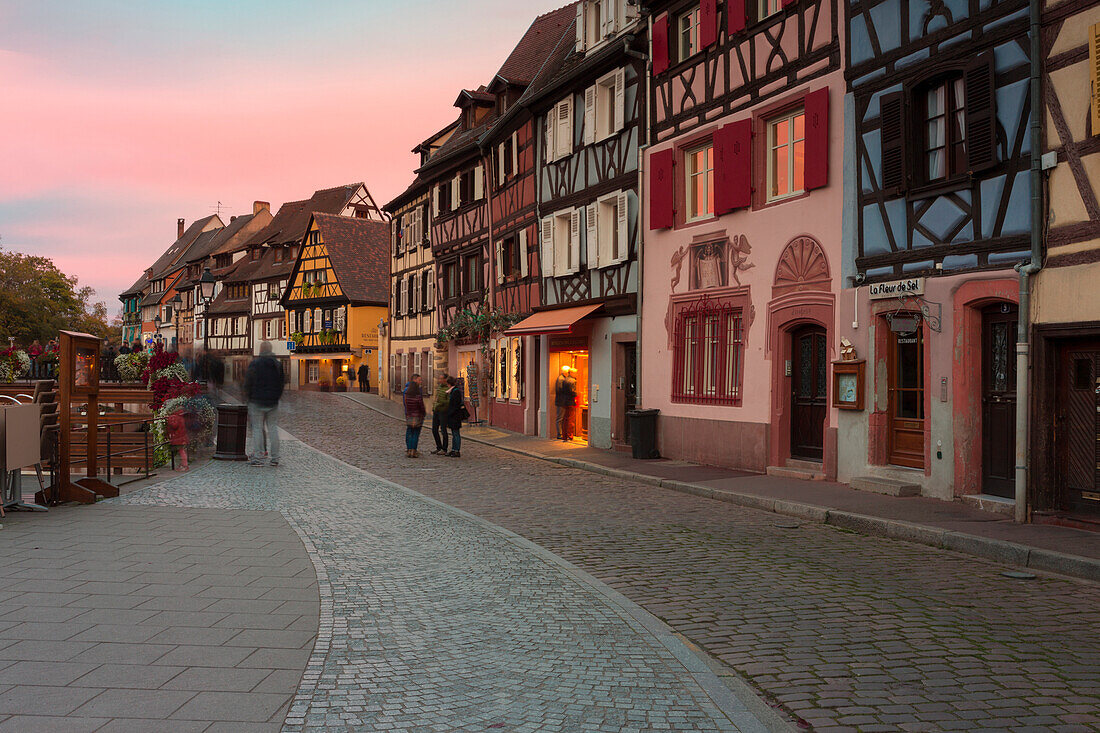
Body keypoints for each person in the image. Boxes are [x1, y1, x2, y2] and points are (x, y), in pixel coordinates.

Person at [243, 341, 284, 467]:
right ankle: (275, 458)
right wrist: (277, 396)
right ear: (271, 350)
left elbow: (248, 382)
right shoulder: (277, 364)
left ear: (260, 350)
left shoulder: (255, 363)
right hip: (273, 402)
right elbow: (282, 383)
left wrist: (248, 397)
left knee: (257, 429)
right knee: (273, 429)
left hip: (256, 401)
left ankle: (259, 457)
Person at [403, 373, 426, 458]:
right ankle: (413, 450)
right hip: (417, 416)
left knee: (410, 432)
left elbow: (405, 404)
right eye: (419, 380)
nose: (421, 382)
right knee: (415, 434)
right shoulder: (417, 396)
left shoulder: (407, 395)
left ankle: (409, 449)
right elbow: (421, 406)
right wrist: (423, 414)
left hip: (409, 416)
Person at [445, 375, 468, 458]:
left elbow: (454, 405)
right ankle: (454, 449)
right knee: (454, 433)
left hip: (455, 416)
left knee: (456, 433)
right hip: (453, 415)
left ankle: (457, 450)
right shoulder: (453, 391)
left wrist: (449, 413)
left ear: (449, 384)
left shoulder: (455, 392)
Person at [554, 365, 578, 441]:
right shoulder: (561, 379)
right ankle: (560, 434)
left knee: (564, 418)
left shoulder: (564, 379)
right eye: (568, 372)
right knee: (562, 418)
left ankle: (563, 435)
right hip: (562, 401)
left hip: (564, 401)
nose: (568, 373)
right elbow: (560, 390)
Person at [430, 372, 450, 455]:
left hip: (443, 411)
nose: (439, 380)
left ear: (445, 380)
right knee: (434, 430)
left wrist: (441, 402)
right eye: (439, 378)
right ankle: (439, 447)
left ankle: (444, 449)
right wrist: (434, 406)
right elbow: (436, 398)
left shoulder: (448, 389)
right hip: (436, 411)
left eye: (441, 378)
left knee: (443, 430)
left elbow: (449, 401)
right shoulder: (439, 387)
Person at [165, 407, 190, 472]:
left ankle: (185, 465)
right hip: (182, 437)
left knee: (181, 451)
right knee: (182, 451)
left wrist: (169, 421)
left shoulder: (175, 417)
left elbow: (174, 426)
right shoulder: (181, 417)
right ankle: (183, 464)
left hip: (178, 437)